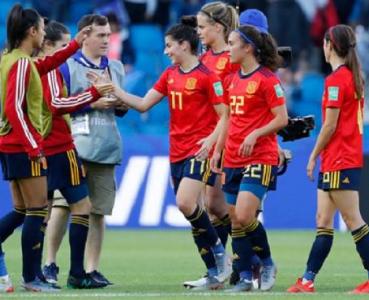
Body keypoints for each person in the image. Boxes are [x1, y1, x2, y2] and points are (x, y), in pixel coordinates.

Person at [111, 17, 231, 290]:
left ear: (185, 45)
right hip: (175, 153)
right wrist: (116, 91)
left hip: (198, 152)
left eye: (169, 46)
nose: (165, 51)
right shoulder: (170, 75)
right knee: (193, 212)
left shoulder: (207, 77)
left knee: (186, 203)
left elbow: (225, 115)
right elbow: (142, 105)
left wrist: (210, 141)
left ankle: (222, 256)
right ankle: (213, 272)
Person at [287, 24, 369, 294]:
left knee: (354, 220)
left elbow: (329, 126)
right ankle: (307, 280)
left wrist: (312, 155)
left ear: (330, 46)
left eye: (324, 43)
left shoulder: (336, 80)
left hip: (340, 158)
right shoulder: (352, 77)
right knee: (323, 221)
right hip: (338, 158)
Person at [0, 4, 91, 292]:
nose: (43, 33)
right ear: (32, 31)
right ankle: (32, 278)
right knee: (38, 210)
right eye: (40, 28)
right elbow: (14, 108)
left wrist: (75, 44)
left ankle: (32, 276)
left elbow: (45, 64)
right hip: (21, 145)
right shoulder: (21, 63)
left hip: (9, 144)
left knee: (22, 210)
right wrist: (33, 146)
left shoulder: (10, 58)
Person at [42, 14, 127, 286]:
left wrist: (116, 101)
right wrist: (92, 102)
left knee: (98, 212)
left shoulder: (116, 67)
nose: (106, 40)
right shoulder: (65, 66)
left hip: (106, 145)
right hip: (74, 146)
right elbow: (57, 105)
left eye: (108, 35)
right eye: (100, 35)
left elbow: (123, 109)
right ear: (85, 36)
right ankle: (50, 263)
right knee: (62, 206)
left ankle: (91, 269)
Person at [211, 24, 288, 292]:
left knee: (244, 215)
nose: (228, 48)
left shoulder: (268, 80)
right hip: (232, 157)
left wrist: (256, 134)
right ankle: (245, 277)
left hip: (261, 156)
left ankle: (267, 263)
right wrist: (218, 151)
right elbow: (228, 119)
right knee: (235, 220)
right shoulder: (231, 80)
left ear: (248, 48)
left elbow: (282, 119)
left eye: (232, 43)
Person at [182, 2, 239, 289]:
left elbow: (233, 107)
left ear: (218, 27)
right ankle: (223, 267)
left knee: (218, 206)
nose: (198, 32)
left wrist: (220, 144)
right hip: (207, 142)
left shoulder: (232, 58)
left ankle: (248, 261)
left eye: (202, 27)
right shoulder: (203, 59)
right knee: (211, 206)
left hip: (226, 140)